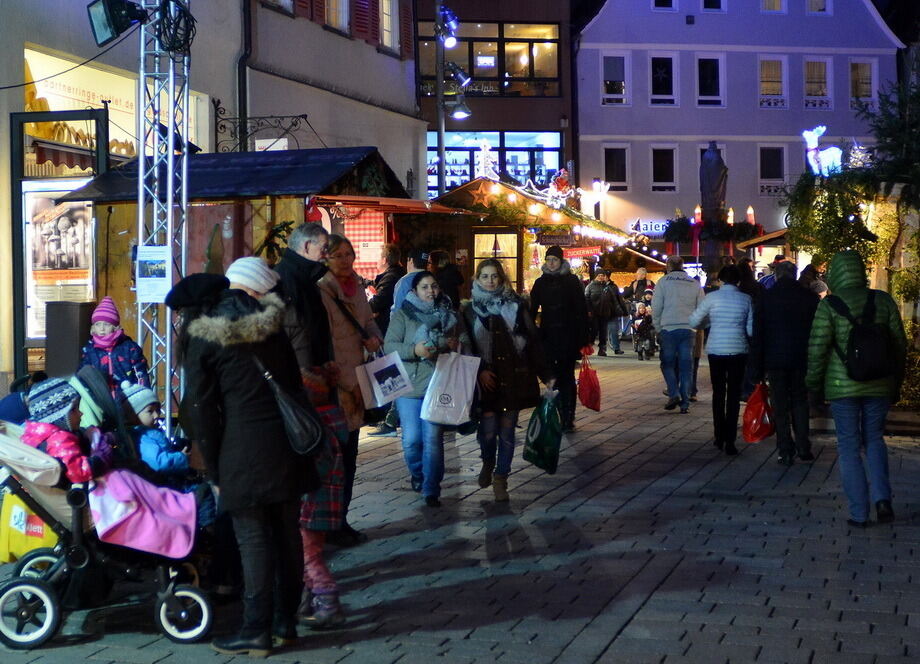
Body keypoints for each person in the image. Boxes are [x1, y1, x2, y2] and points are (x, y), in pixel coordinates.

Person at [176, 257, 318, 656]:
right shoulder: (273, 327)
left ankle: (255, 628)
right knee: (287, 533)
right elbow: (293, 385)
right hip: (286, 446)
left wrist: (214, 467)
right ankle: (285, 622)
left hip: (241, 450)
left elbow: (201, 409)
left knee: (253, 539)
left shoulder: (204, 336)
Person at [806, 250, 907, 527]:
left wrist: (813, 387)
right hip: (879, 384)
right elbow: (899, 345)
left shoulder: (829, 305)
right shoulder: (883, 301)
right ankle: (883, 499)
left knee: (849, 446)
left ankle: (859, 514)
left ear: (836, 274)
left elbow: (817, 351)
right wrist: (895, 382)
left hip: (842, 387)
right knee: (874, 439)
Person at [461, 259, 551, 502]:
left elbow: (532, 341)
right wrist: (479, 370)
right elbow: (466, 345)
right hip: (486, 379)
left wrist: (547, 376)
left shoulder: (516, 306)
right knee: (488, 431)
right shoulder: (469, 310)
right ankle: (487, 461)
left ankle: (502, 478)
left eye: (494, 276)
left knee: (508, 432)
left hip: (514, 376)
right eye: (485, 277)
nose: (490, 281)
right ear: (477, 280)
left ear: (501, 279)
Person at [318, 235, 383, 545]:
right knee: (335, 457)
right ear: (325, 257)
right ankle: (328, 523)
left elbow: (368, 320)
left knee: (351, 454)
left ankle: (342, 519)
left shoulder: (356, 285)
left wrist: (374, 337)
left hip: (356, 379)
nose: (345, 260)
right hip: (333, 382)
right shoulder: (321, 288)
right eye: (338, 254)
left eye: (349, 254)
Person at [383, 271, 457, 507]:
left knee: (433, 439)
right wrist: (414, 350)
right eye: (424, 287)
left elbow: (458, 341)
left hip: (438, 384)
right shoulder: (403, 314)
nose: (430, 291)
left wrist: (444, 344)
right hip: (409, 387)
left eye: (434, 286)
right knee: (412, 440)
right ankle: (418, 474)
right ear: (414, 291)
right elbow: (389, 346)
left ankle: (431, 489)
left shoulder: (449, 315)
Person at [750, 261, 820, 466]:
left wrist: (756, 368)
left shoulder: (767, 298)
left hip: (775, 360)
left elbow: (758, 335)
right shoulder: (809, 298)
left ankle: (785, 449)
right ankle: (804, 447)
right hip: (801, 357)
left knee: (779, 405)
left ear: (777, 276)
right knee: (800, 400)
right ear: (795, 274)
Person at [689, 265, 754, 454]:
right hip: (738, 350)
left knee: (718, 393)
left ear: (721, 280)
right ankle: (731, 440)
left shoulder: (711, 298)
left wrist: (710, 322)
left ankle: (719, 435)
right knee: (734, 395)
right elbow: (751, 330)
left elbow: (693, 321)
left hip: (716, 350)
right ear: (738, 281)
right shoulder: (746, 299)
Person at [274, 222, 336, 405]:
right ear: (307, 246)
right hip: (302, 376)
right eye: (323, 248)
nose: (326, 254)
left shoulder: (306, 277)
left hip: (314, 371)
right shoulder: (286, 278)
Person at [530, 245, 590, 432]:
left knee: (566, 377)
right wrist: (530, 330)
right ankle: (557, 414)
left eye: (555, 260)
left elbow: (581, 309)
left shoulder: (571, 281)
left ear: (561, 261)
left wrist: (583, 337)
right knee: (551, 377)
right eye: (549, 260)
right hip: (548, 336)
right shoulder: (540, 282)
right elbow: (532, 307)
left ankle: (568, 416)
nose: (551, 263)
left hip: (568, 335)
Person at [653, 256, 704, 413]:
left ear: (668, 266)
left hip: (668, 328)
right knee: (685, 366)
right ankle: (685, 403)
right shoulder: (694, 284)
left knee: (667, 363)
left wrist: (657, 327)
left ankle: (673, 392)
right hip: (688, 329)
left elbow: (656, 306)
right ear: (682, 266)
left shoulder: (663, 282)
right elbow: (702, 308)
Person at [79, 296, 150, 393]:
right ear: (93, 327)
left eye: (107, 324)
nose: (102, 328)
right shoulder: (89, 350)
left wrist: (142, 396)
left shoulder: (129, 348)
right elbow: (84, 377)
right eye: (98, 324)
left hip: (128, 399)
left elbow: (141, 375)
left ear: (115, 327)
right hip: (101, 400)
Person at [368, 243, 405, 336]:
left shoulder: (391, 278)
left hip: (388, 329)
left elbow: (375, 304)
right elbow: (375, 283)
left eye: (378, 257)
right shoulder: (394, 273)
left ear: (384, 260)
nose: (376, 260)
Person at [584, 270, 619, 356]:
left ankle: (602, 349)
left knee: (603, 332)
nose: (601, 277)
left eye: (602, 275)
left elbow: (613, 299)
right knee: (594, 330)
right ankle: (589, 345)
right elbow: (586, 299)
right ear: (596, 276)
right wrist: (588, 310)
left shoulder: (607, 287)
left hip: (605, 312)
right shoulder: (590, 286)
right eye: (599, 275)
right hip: (594, 312)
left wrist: (615, 309)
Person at [607, 282, 631, 354]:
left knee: (614, 330)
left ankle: (616, 348)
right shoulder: (593, 285)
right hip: (601, 311)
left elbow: (618, 299)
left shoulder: (613, 287)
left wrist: (623, 310)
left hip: (612, 312)